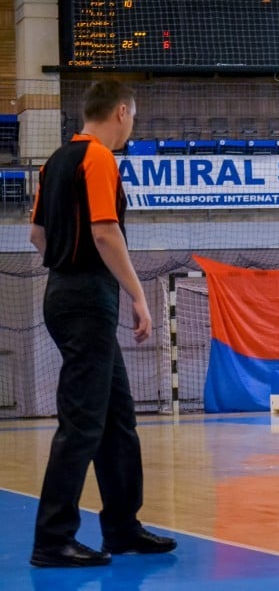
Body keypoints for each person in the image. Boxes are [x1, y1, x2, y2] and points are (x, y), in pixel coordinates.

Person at [28, 80, 177, 567]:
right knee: (82, 423)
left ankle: (122, 527)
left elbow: (36, 234)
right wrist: (138, 296)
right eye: (132, 117)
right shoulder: (97, 159)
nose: (131, 125)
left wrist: (69, 266)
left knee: (117, 419)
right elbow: (106, 231)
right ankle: (52, 540)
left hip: (65, 293)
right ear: (120, 112)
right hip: (88, 299)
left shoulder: (53, 162)